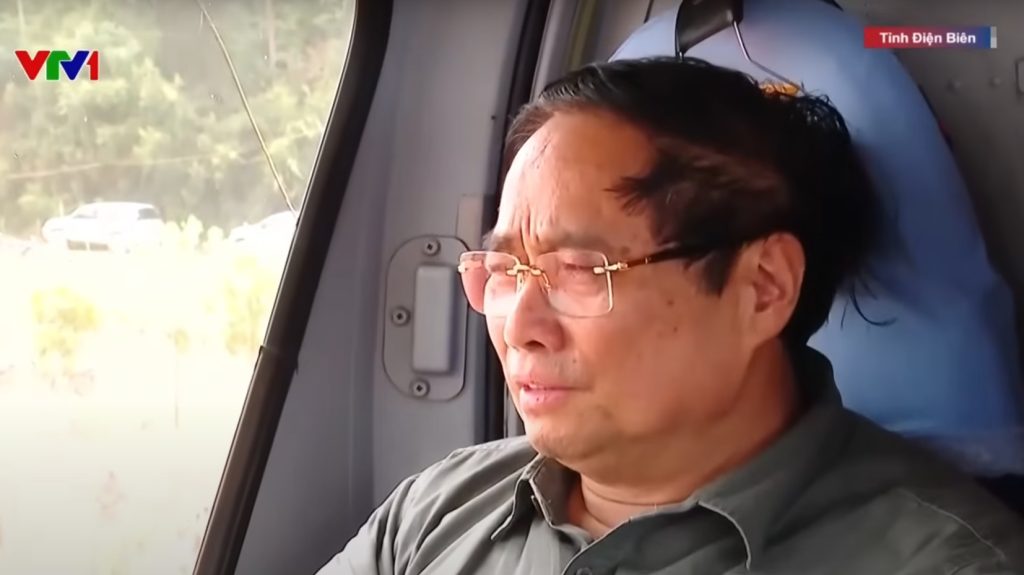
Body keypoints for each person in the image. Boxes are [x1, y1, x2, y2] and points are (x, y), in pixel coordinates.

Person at [317, 57, 1024, 574]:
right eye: (506, 270)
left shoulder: (947, 563)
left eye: (579, 269)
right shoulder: (437, 512)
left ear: (762, 288)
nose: (520, 326)